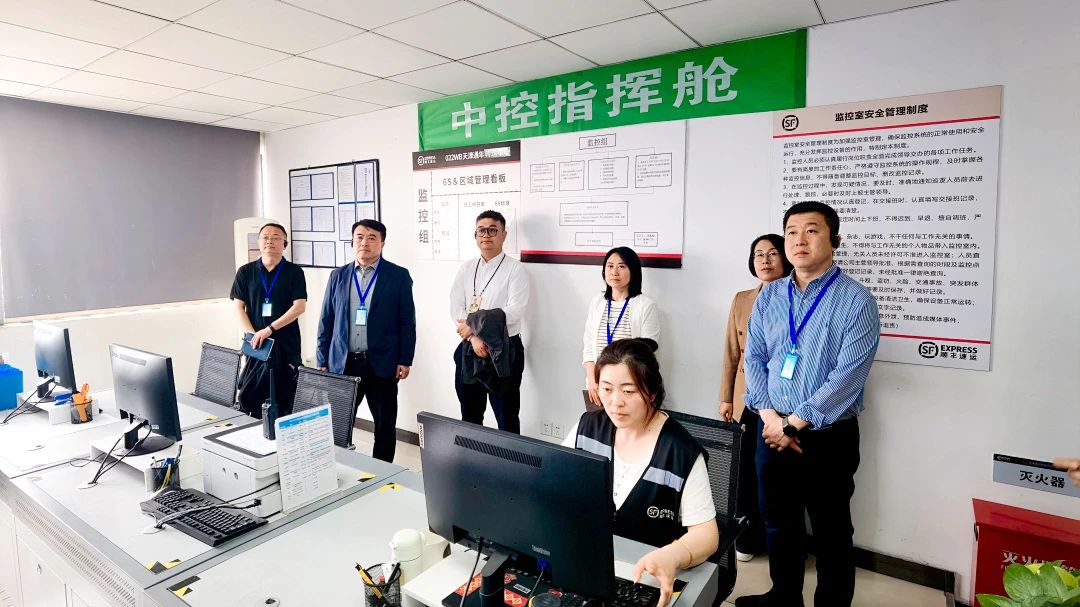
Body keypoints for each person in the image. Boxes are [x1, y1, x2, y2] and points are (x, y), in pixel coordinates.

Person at [736, 201, 880, 607]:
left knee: (832, 532)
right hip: (771, 429)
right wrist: (770, 418)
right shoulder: (770, 295)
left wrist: (794, 423)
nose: (799, 239)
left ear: (835, 240)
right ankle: (784, 597)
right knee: (778, 524)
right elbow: (755, 358)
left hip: (827, 437)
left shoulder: (857, 300)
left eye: (812, 230)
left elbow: (848, 375)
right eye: (792, 231)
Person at [564, 338, 718, 607]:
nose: (615, 402)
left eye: (628, 391)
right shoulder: (587, 427)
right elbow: (551, 483)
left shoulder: (681, 452)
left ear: (652, 392)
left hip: (644, 576)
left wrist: (673, 554)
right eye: (606, 389)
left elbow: (707, 535)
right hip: (587, 562)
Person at [718, 234, 793, 563]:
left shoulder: (797, 297)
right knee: (744, 472)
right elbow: (731, 352)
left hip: (782, 402)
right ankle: (746, 538)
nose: (765, 260)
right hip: (745, 398)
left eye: (773, 253)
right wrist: (726, 397)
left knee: (776, 476)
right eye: (758, 254)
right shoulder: (742, 298)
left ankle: (777, 542)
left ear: (785, 258)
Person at [316, 219, 416, 463]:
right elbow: (326, 319)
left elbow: (407, 321)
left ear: (382, 243)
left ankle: (382, 473)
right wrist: (322, 359)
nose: (365, 243)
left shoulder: (398, 275)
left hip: (381, 362)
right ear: (352, 241)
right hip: (343, 363)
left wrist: (405, 359)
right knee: (338, 423)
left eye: (372, 238)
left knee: (384, 425)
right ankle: (338, 467)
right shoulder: (338, 275)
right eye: (359, 237)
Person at [450, 210, 530, 433]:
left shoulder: (516, 269)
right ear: (475, 235)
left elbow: (514, 311)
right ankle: (473, 455)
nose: (486, 235)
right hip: (470, 347)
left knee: (507, 417)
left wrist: (474, 326)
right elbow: (455, 306)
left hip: (504, 349)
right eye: (481, 230)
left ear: (504, 234)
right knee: (470, 415)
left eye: (493, 230)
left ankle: (509, 458)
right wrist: (474, 337)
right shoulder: (467, 268)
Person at [231, 222, 307, 417]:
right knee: (253, 399)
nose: (269, 241)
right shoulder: (245, 272)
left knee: (286, 400)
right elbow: (238, 307)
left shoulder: (294, 272)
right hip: (257, 346)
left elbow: (299, 307)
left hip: (286, 344)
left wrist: (269, 329)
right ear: (258, 242)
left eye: (275, 238)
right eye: (265, 237)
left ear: (284, 244)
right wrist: (253, 335)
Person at [582, 247, 660, 408]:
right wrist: (592, 380)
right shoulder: (597, 302)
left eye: (622, 266)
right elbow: (588, 345)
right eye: (610, 266)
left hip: (630, 387)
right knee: (598, 424)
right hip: (600, 385)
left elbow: (647, 351)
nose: (614, 272)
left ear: (633, 271)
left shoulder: (646, 305)